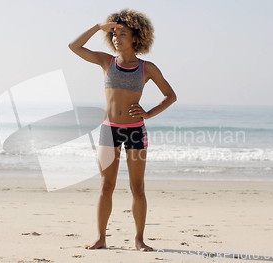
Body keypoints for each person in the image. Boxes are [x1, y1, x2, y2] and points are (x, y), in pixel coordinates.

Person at [68, 8, 177, 251]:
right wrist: (98, 27)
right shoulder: (106, 61)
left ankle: (139, 239)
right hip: (109, 131)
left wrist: (148, 113)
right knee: (106, 186)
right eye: (114, 34)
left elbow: (170, 96)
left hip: (136, 132)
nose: (117, 38)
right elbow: (74, 47)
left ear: (136, 38)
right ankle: (101, 238)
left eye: (123, 34)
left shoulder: (146, 68)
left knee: (137, 187)